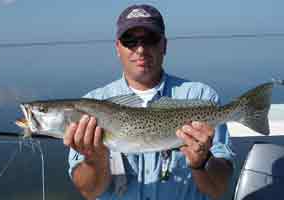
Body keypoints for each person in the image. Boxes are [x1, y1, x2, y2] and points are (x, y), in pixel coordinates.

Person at [64, 4, 235, 200]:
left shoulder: (201, 97)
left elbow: (218, 189)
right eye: (130, 40)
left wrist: (202, 161)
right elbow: (89, 191)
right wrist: (95, 160)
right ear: (117, 48)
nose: (141, 49)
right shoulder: (92, 106)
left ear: (164, 45)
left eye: (150, 39)